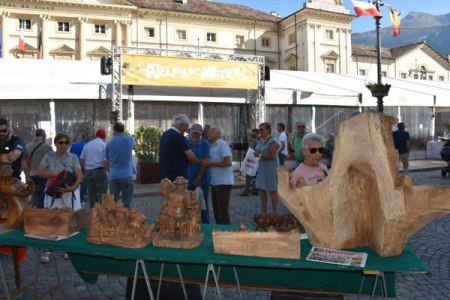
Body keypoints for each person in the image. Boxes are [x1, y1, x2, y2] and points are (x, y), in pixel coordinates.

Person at [36, 132, 84, 263]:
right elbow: (39, 172)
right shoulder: (49, 156)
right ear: (56, 143)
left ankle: (68, 248)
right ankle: (48, 249)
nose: (63, 145)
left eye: (66, 142)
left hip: (69, 192)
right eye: (60, 142)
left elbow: (80, 175)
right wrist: (55, 175)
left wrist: (73, 187)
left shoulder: (73, 157)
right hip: (53, 192)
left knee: (70, 220)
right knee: (52, 219)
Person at [202, 126, 233, 224]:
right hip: (215, 181)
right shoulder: (211, 146)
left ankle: (225, 232)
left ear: (217, 134)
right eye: (208, 132)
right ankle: (219, 229)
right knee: (216, 209)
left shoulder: (222, 144)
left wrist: (211, 163)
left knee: (222, 210)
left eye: (211, 131)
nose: (208, 133)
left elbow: (228, 162)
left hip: (223, 182)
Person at [105, 122, 135, 209]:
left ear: (114, 130)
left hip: (113, 175)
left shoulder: (109, 144)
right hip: (127, 174)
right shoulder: (129, 139)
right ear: (123, 130)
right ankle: (126, 219)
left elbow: (106, 162)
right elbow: (134, 147)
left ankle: (112, 220)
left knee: (113, 202)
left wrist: (110, 172)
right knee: (127, 201)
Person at [158, 114, 197, 181]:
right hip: (177, 176)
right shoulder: (178, 137)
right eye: (187, 125)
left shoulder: (165, 134)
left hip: (165, 174)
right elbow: (191, 157)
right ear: (181, 125)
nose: (187, 128)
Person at [186, 124, 211, 223]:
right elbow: (186, 161)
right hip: (188, 178)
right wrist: (200, 161)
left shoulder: (205, 144)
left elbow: (206, 163)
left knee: (203, 204)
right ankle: (190, 224)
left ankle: (206, 224)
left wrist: (199, 177)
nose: (195, 135)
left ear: (201, 134)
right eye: (194, 133)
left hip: (202, 179)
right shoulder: (186, 143)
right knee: (188, 204)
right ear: (190, 132)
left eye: (198, 133)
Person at [254, 122, 279, 214]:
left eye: (262, 129)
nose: (260, 131)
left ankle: (275, 212)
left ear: (268, 130)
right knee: (262, 189)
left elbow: (272, 156)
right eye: (259, 129)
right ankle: (263, 211)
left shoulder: (273, 141)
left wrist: (259, 155)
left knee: (272, 190)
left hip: (270, 168)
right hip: (262, 167)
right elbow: (257, 150)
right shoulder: (260, 140)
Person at [80, 129, 108, 208]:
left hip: (88, 171)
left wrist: (83, 171)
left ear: (96, 135)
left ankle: (93, 212)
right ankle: (101, 212)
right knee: (102, 194)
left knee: (91, 193)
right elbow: (105, 160)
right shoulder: (104, 145)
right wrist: (106, 171)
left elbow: (82, 159)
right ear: (104, 136)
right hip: (100, 171)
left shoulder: (87, 145)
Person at [26, 129, 53, 208]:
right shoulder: (46, 146)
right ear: (42, 136)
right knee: (42, 194)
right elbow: (53, 158)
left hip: (31, 174)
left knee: (34, 194)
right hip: (42, 174)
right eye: (45, 136)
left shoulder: (27, 146)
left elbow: (25, 160)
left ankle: (32, 210)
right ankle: (40, 212)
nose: (45, 138)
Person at [239, 128, 259, 196]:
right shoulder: (257, 141)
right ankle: (254, 189)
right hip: (254, 160)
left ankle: (247, 191)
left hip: (252, 160)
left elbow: (251, 151)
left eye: (253, 134)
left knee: (249, 175)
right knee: (254, 175)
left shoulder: (254, 142)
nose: (252, 135)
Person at [70, 134, 87, 203]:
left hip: (73, 166)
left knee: (74, 181)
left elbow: (69, 154)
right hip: (82, 165)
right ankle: (81, 199)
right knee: (82, 182)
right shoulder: (85, 145)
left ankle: (74, 199)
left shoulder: (73, 145)